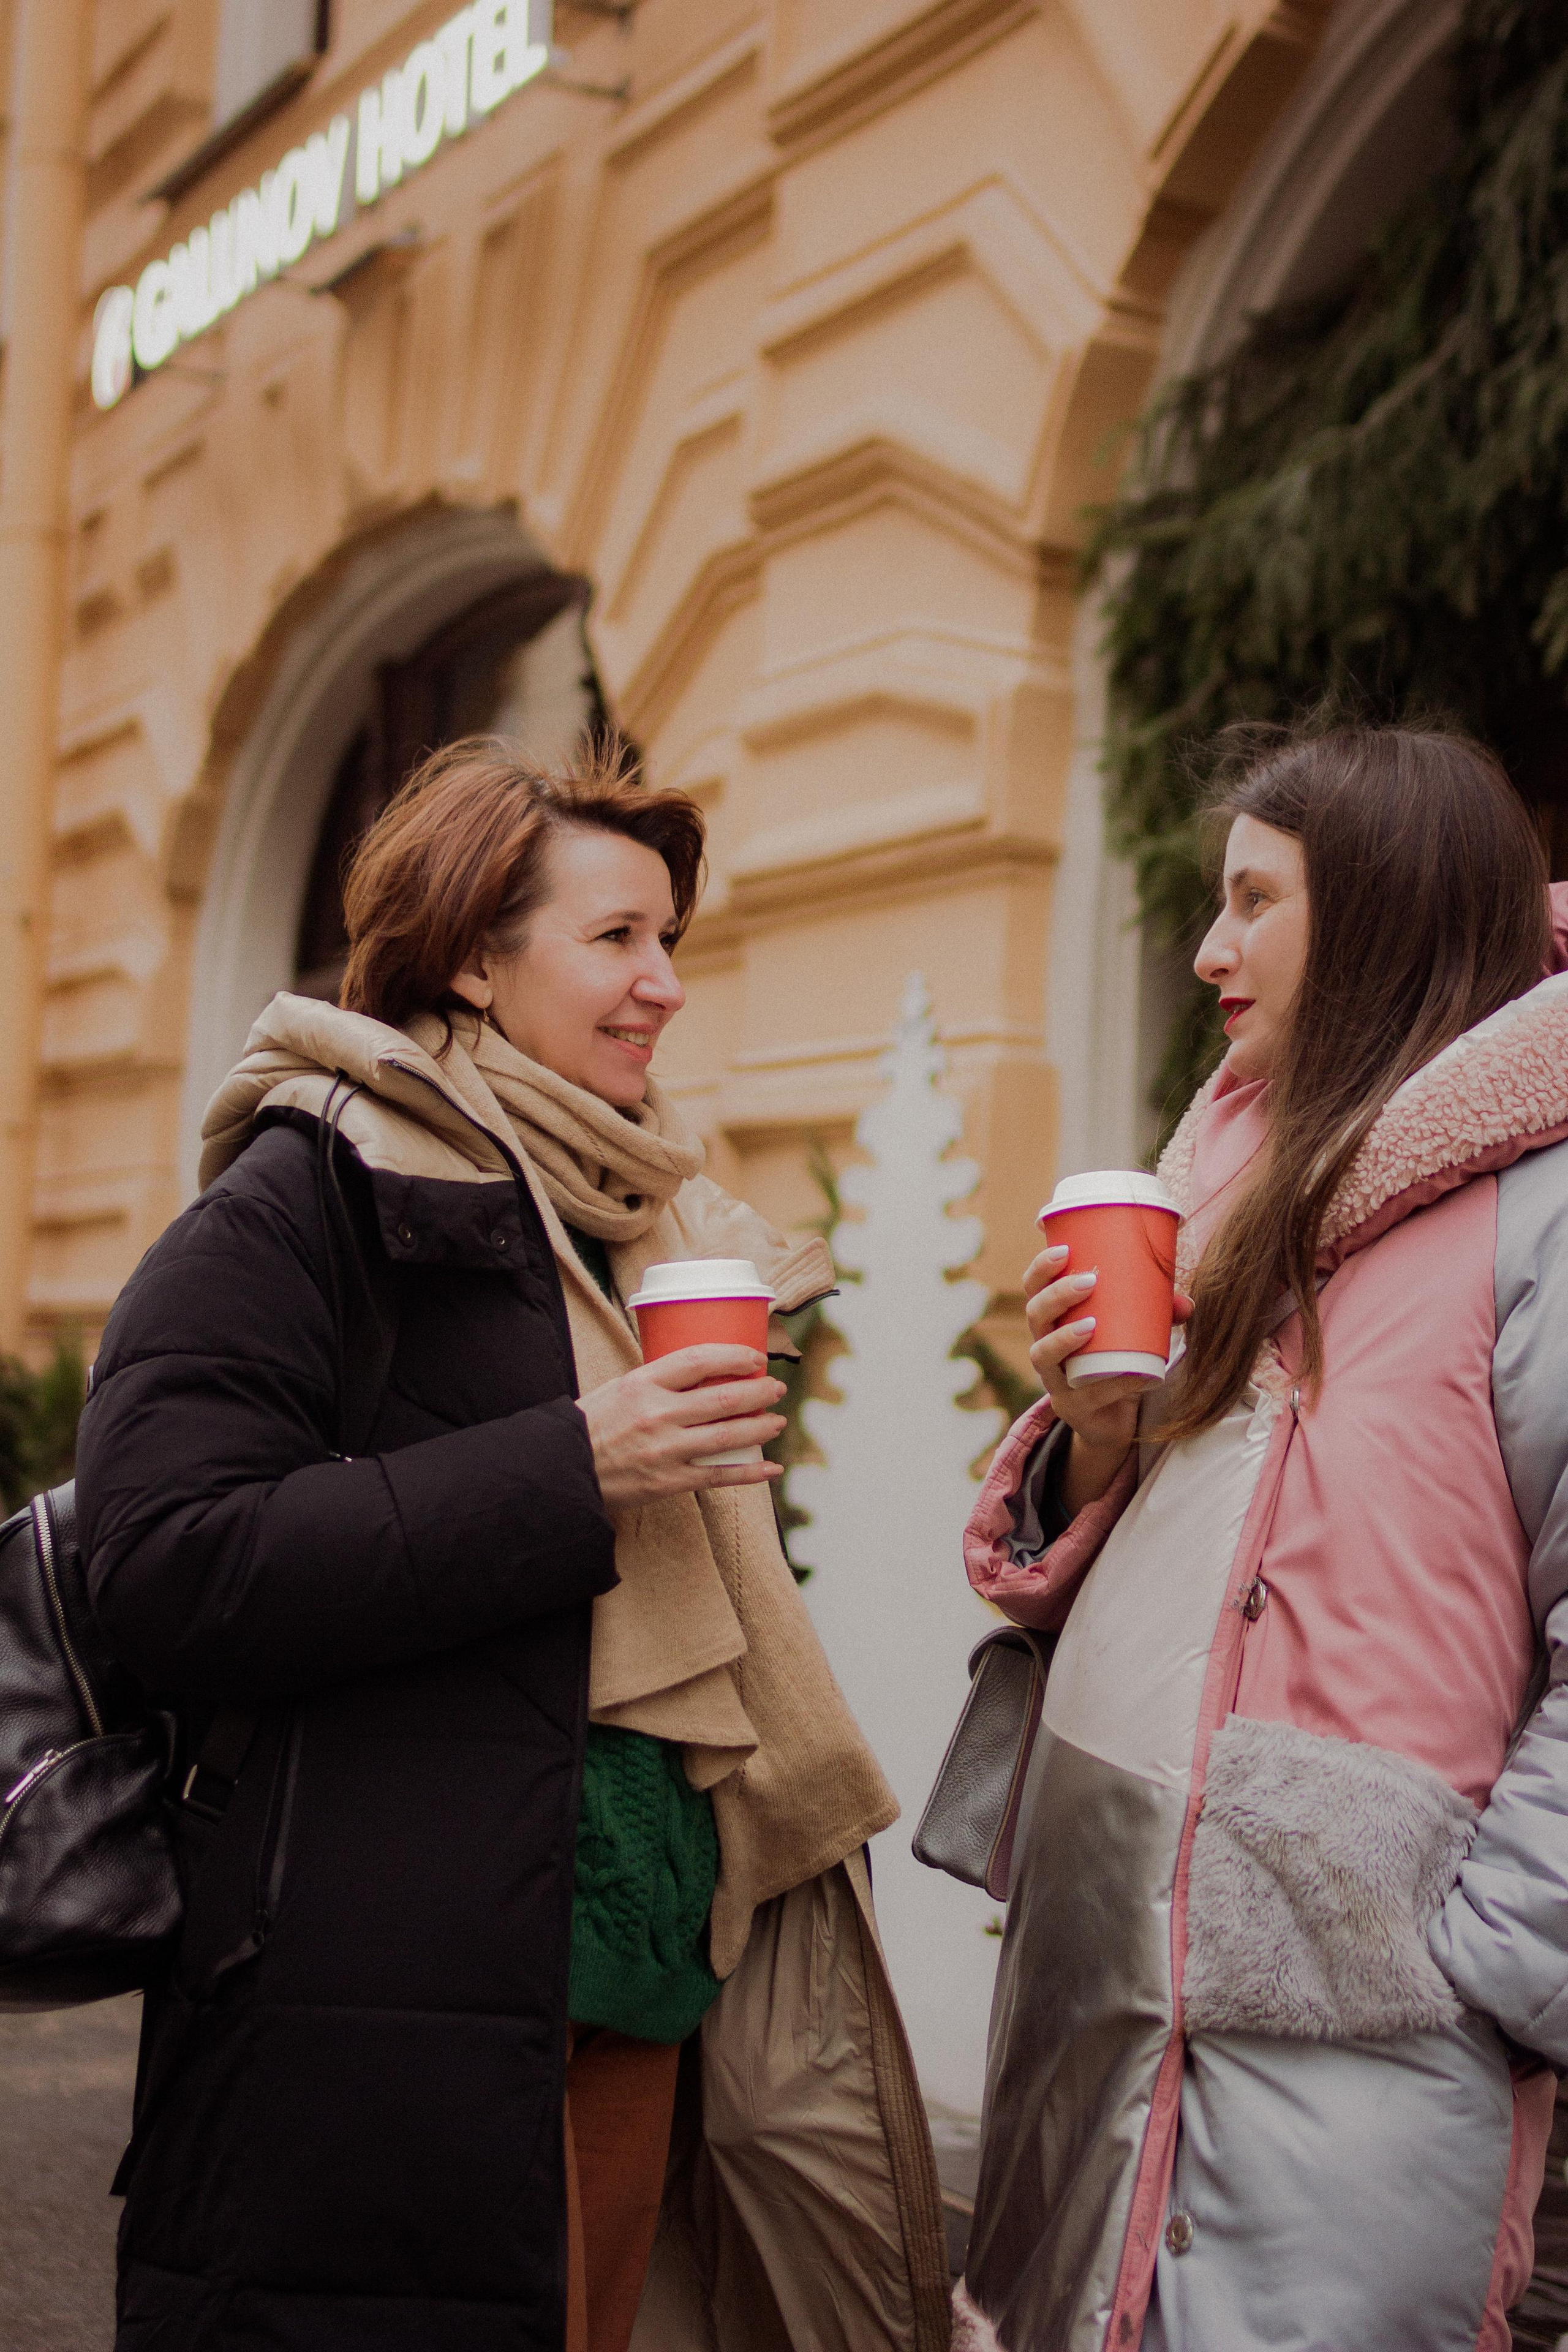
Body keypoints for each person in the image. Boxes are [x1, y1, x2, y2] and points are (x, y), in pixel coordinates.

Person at [77, 739, 951, 2352]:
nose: (665, 983)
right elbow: (165, 1565)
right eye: (617, 937)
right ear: (475, 958)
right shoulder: (312, 1190)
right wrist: (572, 1462)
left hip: (644, 1953)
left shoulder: (655, 1218)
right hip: (395, 1978)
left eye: (672, 940)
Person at [954, 725, 1568, 2352]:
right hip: (1104, 2000)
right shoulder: (1213, 1169)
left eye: (1251, 901)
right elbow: (1162, 1550)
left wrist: (1492, 1978)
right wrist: (1089, 1433)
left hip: (1366, 2037)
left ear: (1373, 911)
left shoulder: (1542, 1207)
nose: (1210, 949)